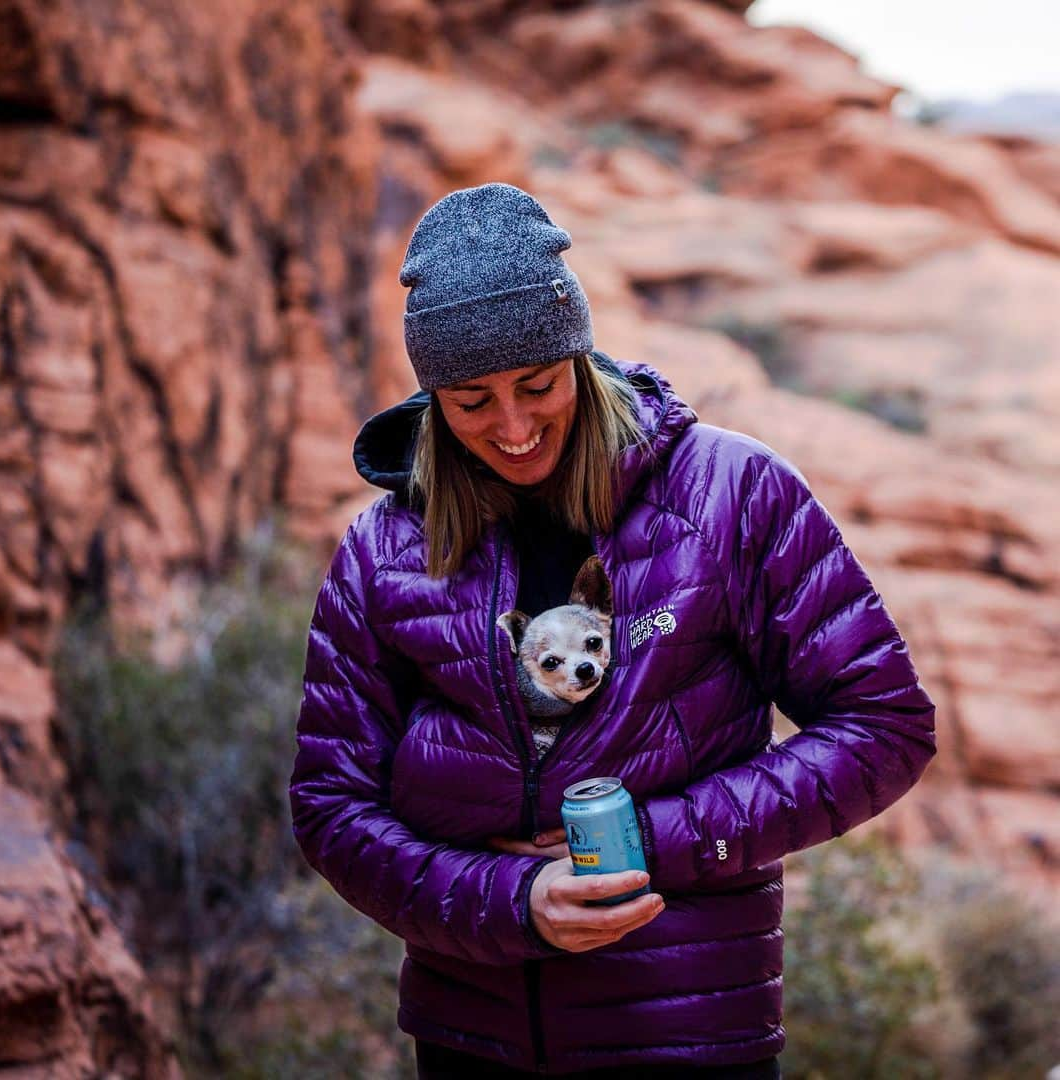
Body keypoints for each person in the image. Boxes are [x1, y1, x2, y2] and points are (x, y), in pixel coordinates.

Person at [288, 182, 937, 1078]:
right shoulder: (385, 548)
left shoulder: (729, 497)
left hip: (689, 1031)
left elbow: (885, 728)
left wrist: (651, 841)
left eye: (538, 385)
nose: (512, 427)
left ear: (581, 359)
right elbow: (330, 805)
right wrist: (511, 901)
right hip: (471, 1038)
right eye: (471, 402)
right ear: (432, 400)